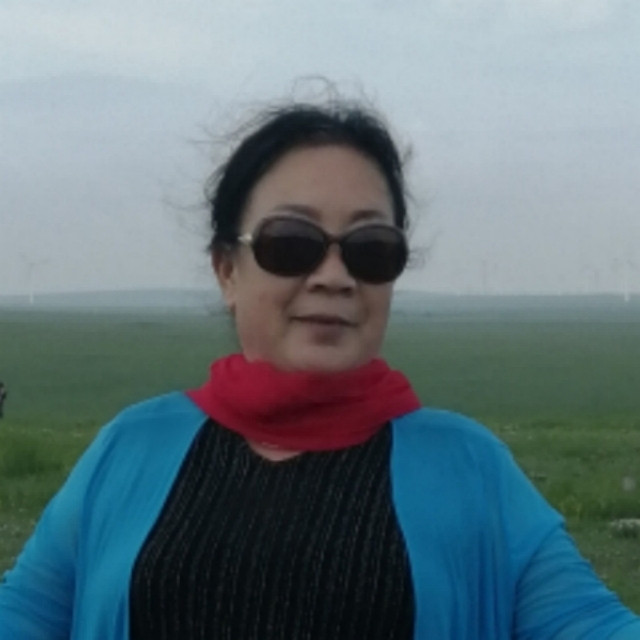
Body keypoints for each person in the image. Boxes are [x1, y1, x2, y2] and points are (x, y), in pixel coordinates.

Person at [0, 99, 639, 640]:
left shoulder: (470, 470)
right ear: (226, 270)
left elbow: (586, 622)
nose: (334, 277)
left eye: (370, 249)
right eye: (291, 243)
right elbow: (25, 614)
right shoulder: (130, 449)